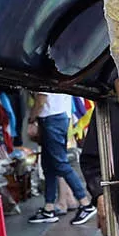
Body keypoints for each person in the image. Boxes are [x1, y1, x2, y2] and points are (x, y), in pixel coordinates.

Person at [30, 90, 94, 225]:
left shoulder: (46, 71)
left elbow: (41, 99)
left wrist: (32, 119)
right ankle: (49, 207)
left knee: (60, 164)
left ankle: (85, 203)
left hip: (51, 118)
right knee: (49, 166)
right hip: (58, 117)